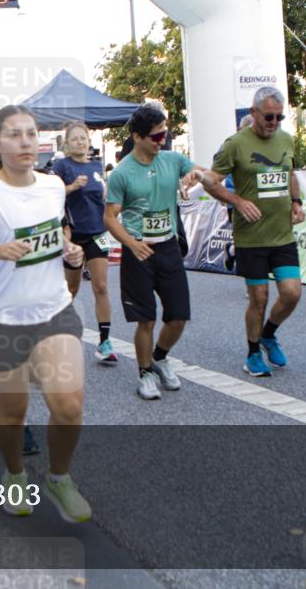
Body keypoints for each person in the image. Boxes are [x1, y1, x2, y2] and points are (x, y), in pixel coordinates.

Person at [0, 105, 91, 523]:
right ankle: (14, 474)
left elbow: (57, 232)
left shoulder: (52, 187)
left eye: (31, 133)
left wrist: (70, 249)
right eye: (14, 135)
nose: (26, 142)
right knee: (14, 413)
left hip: (53, 310)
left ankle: (59, 478)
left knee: (69, 406)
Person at [200, 86, 305, 378]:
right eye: (268, 116)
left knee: (292, 293)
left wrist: (296, 202)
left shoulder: (286, 139)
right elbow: (211, 181)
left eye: (279, 117)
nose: (273, 122)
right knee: (258, 298)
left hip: (282, 234)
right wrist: (237, 200)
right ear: (254, 112)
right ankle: (253, 353)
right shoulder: (235, 143)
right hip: (251, 238)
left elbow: (290, 174)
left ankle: (269, 334)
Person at [104, 104, 205, 399]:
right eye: (156, 136)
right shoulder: (122, 173)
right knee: (145, 319)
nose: (162, 141)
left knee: (178, 317)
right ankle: (145, 373)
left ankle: (160, 357)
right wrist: (132, 244)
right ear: (137, 136)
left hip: (169, 247)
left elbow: (203, 173)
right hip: (138, 252)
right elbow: (109, 217)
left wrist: (198, 176)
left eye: (165, 134)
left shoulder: (172, 160)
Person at [51, 121, 118, 364]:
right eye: (75, 139)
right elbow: (52, 195)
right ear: (67, 143)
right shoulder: (62, 166)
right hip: (74, 234)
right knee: (72, 289)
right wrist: (71, 187)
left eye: (84, 138)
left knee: (100, 286)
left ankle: (105, 341)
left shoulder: (96, 165)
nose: (80, 142)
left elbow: (103, 196)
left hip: (97, 232)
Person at [223, 114, 255, 272]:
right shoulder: (232, 146)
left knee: (253, 239)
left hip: (254, 202)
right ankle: (251, 279)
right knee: (245, 240)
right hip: (235, 202)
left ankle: (231, 251)